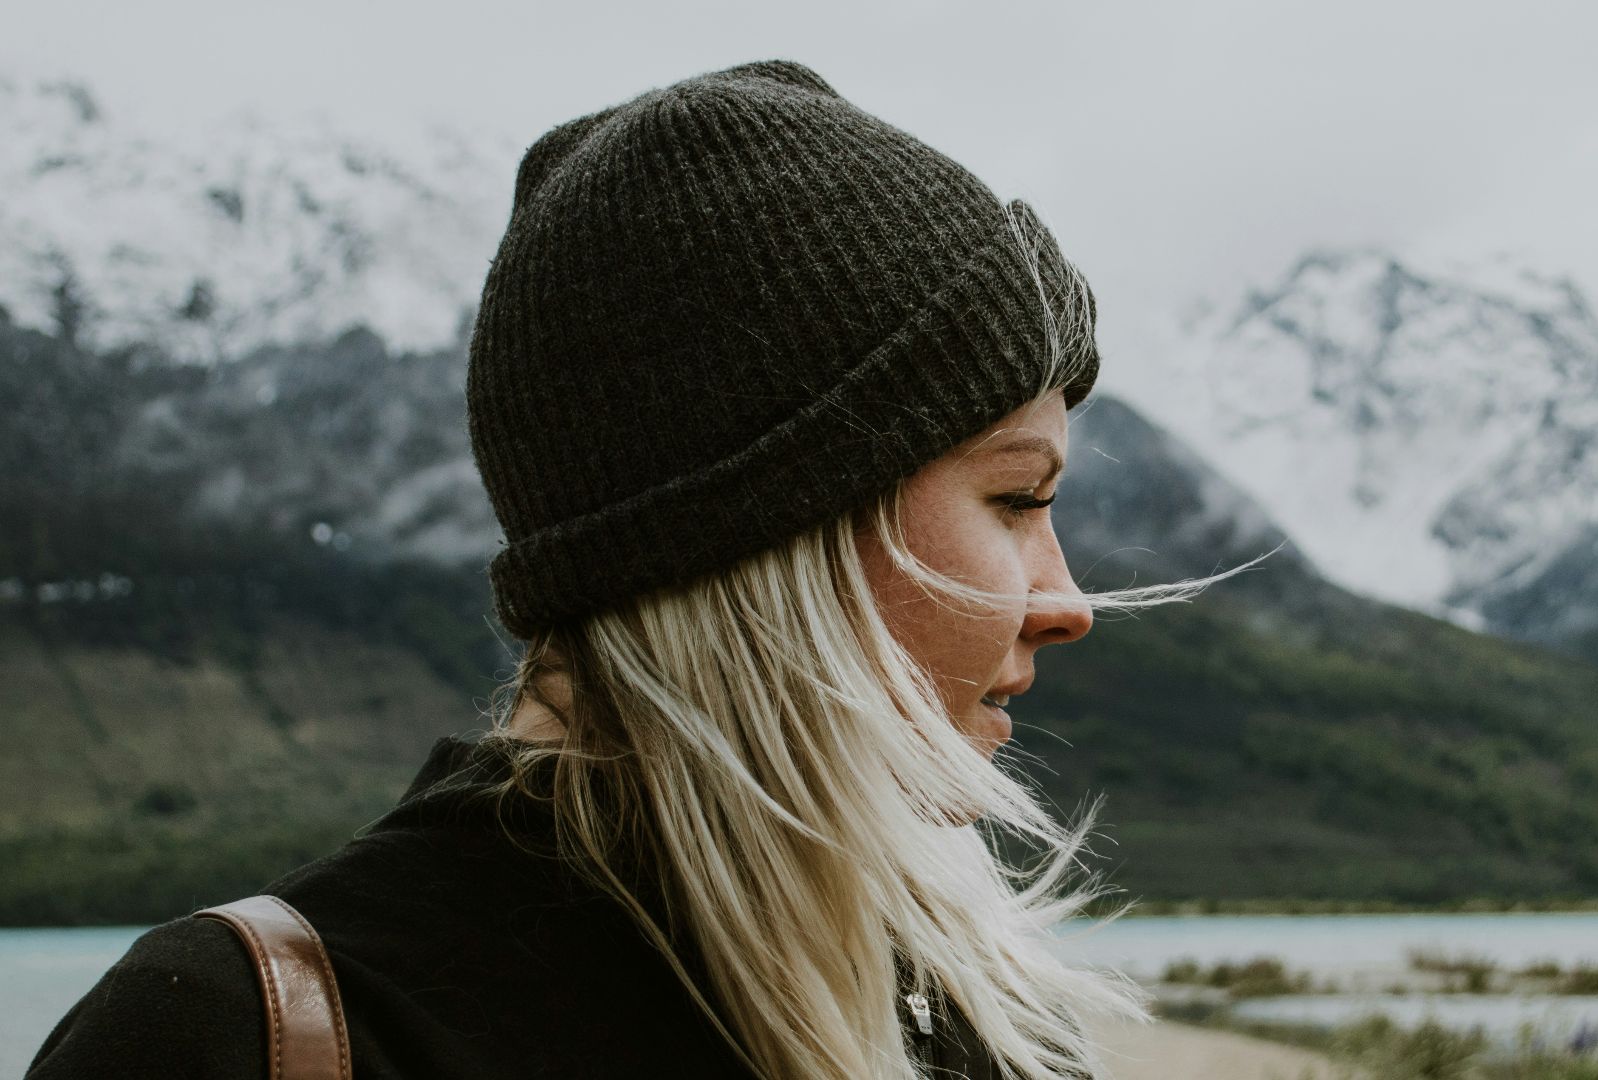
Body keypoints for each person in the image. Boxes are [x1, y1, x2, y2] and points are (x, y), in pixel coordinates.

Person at [27, 58, 1256, 1079]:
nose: (1068, 598)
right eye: (1017, 496)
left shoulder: (991, 1025)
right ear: (766, 528)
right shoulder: (240, 1034)